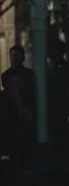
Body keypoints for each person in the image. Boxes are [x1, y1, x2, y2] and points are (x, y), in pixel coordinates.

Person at [1, 46, 35, 177]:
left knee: (25, 142)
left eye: (17, 56)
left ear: (23, 57)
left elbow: (31, 93)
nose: (14, 58)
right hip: (11, 115)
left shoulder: (29, 74)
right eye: (12, 56)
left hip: (26, 113)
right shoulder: (6, 75)